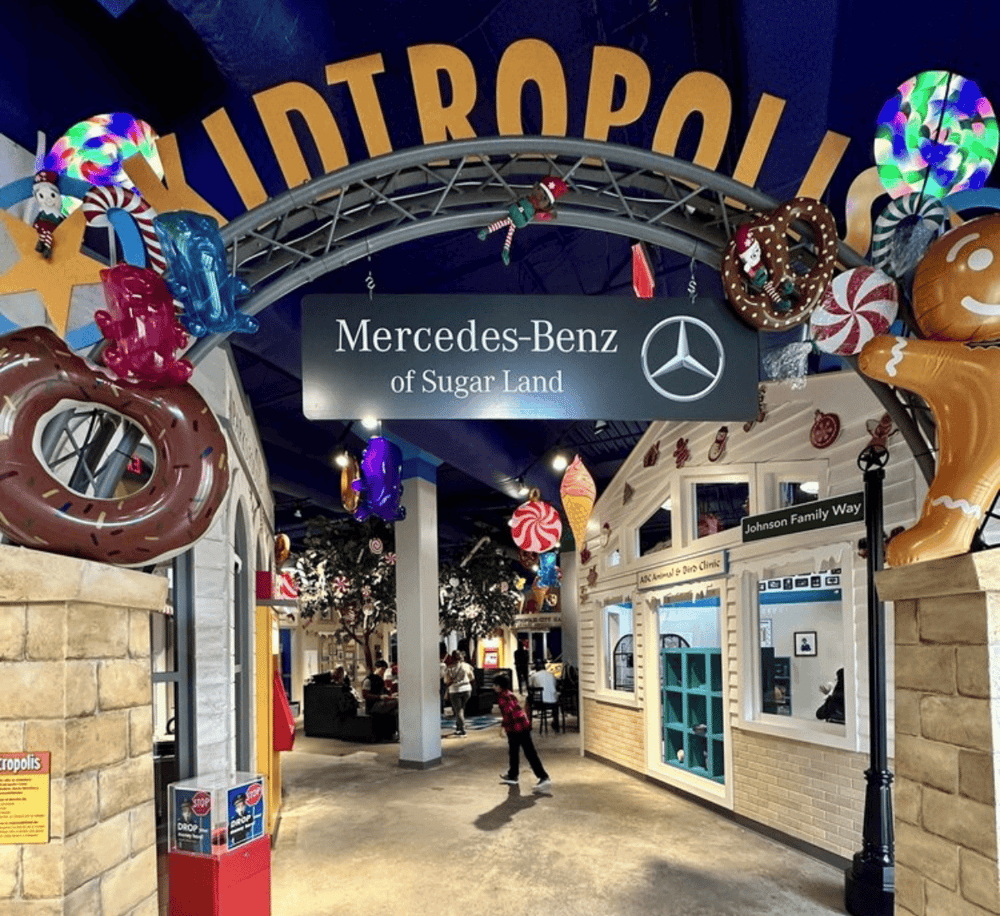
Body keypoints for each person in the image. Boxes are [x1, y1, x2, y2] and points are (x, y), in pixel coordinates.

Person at [493, 672, 551, 792]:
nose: (493, 687)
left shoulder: (503, 697)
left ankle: (543, 778)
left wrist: (504, 728)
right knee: (515, 751)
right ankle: (513, 774)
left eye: (494, 685)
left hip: (517, 728)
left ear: (499, 686)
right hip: (520, 726)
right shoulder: (509, 694)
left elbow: (510, 713)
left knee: (528, 752)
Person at [362, 660, 399, 740]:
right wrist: (380, 697)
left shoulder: (380, 681)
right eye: (382, 669)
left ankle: (391, 734)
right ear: (376, 668)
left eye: (384, 670)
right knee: (396, 702)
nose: (383, 672)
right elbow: (365, 695)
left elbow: (385, 693)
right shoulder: (368, 680)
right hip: (372, 706)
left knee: (396, 712)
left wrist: (391, 695)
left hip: (380, 703)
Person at [445, 649, 475, 737]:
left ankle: (462, 729)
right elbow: (472, 677)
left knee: (458, 710)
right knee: (461, 708)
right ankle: (458, 727)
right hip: (467, 689)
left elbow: (447, 680)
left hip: (455, 690)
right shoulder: (467, 666)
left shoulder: (449, 668)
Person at [528, 658, 560, 733]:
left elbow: (530, 687)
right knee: (554, 700)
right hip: (553, 702)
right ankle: (556, 722)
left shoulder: (534, 676)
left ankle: (528, 723)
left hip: (540, 703)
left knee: (528, 700)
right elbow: (555, 686)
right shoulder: (552, 675)